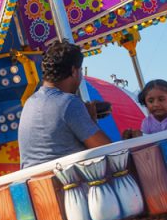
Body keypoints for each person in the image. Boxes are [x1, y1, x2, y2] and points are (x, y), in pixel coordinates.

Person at [18, 40, 111, 168]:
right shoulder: (69, 102)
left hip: (36, 184)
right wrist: (92, 121)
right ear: (74, 71)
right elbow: (106, 150)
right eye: (81, 70)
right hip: (67, 183)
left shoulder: (29, 103)